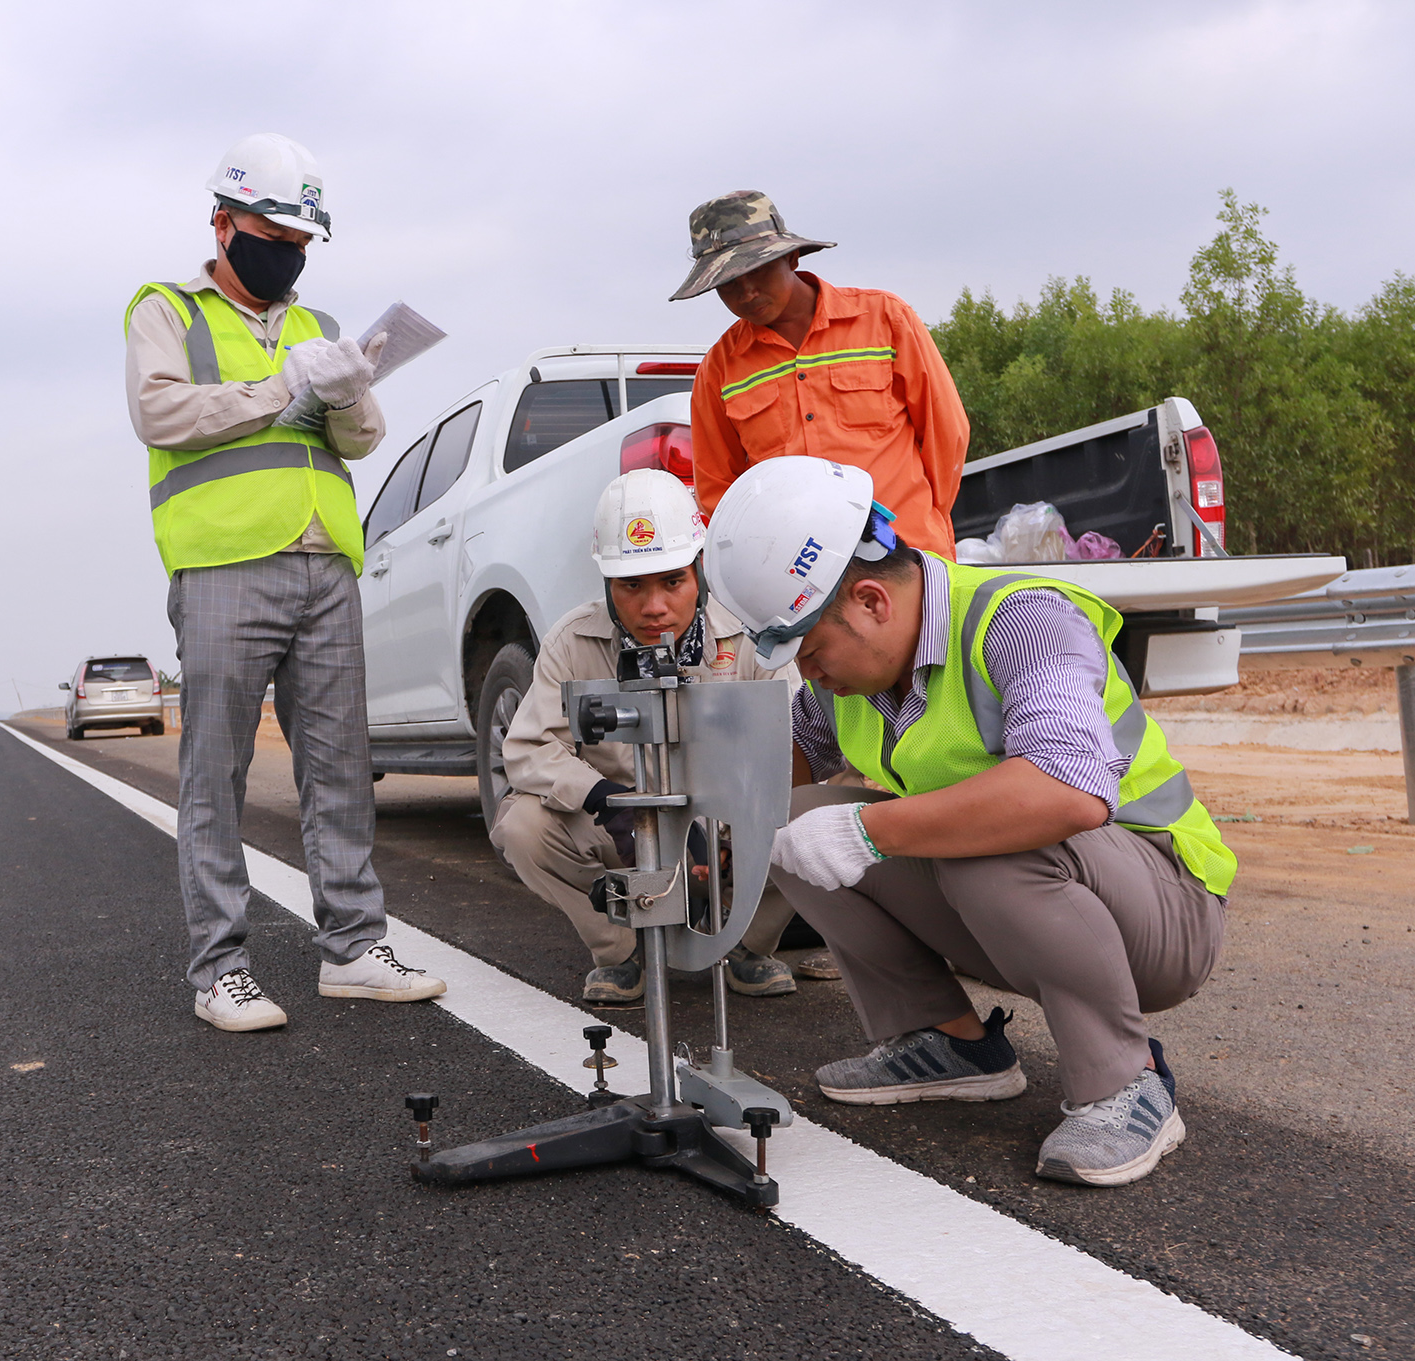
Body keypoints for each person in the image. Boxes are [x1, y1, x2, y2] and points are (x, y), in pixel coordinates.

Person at [705, 456, 1236, 1187]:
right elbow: (779, 769)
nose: (811, 672)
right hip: (1024, 897)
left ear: (870, 601)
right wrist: (719, 836)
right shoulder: (848, 679)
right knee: (795, 823)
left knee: (982, 841)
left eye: (812, 649)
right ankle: (947, 1042)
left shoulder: (1021, 620)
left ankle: (1126, 1082)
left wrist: (870, 834)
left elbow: (1066, 789)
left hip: (1166, 906)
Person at [125, 132, 444, 1033]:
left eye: (303, 243)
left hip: (323, 563)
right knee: (214, 773)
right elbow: (159, 412)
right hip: (225, 562)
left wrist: (342, 392)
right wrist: (279, 388)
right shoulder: (166, 311)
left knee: (340, 766)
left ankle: (353, 947)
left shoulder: (318, 326)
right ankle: (220, 966)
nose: (289, 256)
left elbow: (363, 438)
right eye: (274, 234)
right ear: (223, 223)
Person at [491, 470, 806, 1004]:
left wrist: (730, 829)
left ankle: (750, 946)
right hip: (624, 838)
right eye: (631, 585)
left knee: (814, 815)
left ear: (700, 572)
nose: (653, 606)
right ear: (607, 584)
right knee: (522, 825)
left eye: (671, 581)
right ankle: (621, 952)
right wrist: (609, 803)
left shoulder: (752, 637)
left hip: (731, 839)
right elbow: (528, 748)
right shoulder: (573, 641)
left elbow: (795, 744)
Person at [671, 190, 969, 559]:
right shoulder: (719, 370)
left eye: (757, 270)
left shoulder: (884, 319)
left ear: (791, 257)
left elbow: (946, 433)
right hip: (797, 579)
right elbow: (719, 491)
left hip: (909, 556)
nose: (746, 292)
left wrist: (926, 519)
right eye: (728, 283)